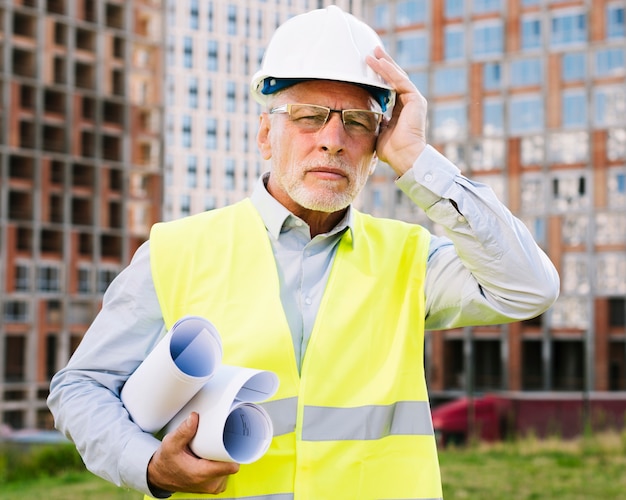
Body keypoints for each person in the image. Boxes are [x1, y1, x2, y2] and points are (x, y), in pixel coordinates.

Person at [48, 6, 559, 500]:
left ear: (377, 146)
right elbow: (82, 386)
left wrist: (417, 160)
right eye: (309, 117)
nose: (333, 141)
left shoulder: (410, 259)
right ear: (266, 134)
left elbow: (528, 288)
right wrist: (149, 466)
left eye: (357, 122)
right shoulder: (176, 251)